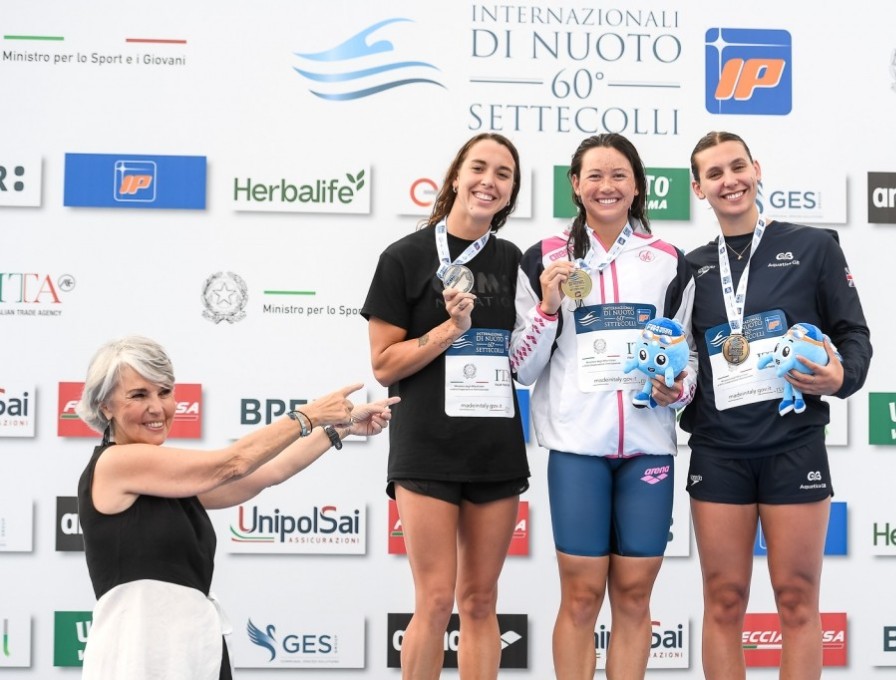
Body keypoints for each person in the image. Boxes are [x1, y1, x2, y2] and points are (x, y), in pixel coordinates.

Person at [75, 335, 398, 680]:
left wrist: (341, 428)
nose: (157, 407)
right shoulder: (115, 463)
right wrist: (308, 415)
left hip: (194, 648)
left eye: (164, 392)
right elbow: (234, 463)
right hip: (138, 653)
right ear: (105, 406)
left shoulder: (167, 480)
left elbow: (268, 473)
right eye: (139, 395)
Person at [682, 131, 872, 680]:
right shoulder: (691, 268)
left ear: (757, 169)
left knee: (796, 599)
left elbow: (853, 333)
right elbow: (686, 360)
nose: (729, 180)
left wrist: (841, 376)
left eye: (737, 166)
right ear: (698, 188)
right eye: (714, 174)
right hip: (719, 451)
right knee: (723, 600)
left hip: (793, 445)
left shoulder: (813, 247)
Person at [511, 132, 696, 679]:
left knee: (635, 596)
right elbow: (522, 368)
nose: (607, 186)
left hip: (648, 447)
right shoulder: (544, 257)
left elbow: (685, 364)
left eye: (619, 175)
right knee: (582, 595)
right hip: (577, 449)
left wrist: (676, 388)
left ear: (637, 186)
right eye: (594, 175)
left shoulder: (668, 262)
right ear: (575, 184)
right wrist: (547, 308)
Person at [361, 132, 530, 679]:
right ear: (456, 176)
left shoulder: (515, 262)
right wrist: (448, 331)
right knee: (434, 601)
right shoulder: (404, 257)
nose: (489, 181)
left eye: (503, 174)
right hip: (426, 446)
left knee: (480, 600)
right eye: (479, 168)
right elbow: (384, 365)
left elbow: (528, 353)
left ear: (510, 192)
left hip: (494, 448)